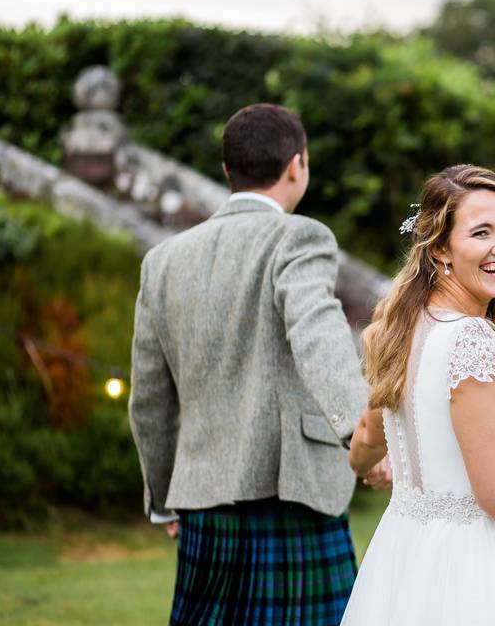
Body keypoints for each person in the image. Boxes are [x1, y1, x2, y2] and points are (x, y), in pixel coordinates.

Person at [129, 103, 385, 625]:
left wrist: (163, 499)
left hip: (202, 502)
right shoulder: (300, 237)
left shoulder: (163, 260)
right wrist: (362, 431)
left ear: (227, 170)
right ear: (297, 165)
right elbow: (320, 335)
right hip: (292, 495)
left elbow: (149, 400)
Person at [342, 165, 495, 625]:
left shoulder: (401, 327)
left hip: (404, 554)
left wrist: (383, 464)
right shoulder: (470, 339)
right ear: (440, 251)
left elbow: (364, 441)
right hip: (474, 570)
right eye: (481, 233)